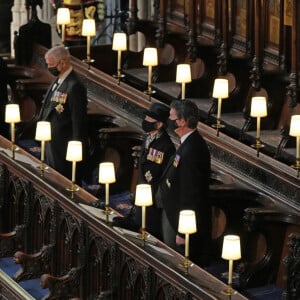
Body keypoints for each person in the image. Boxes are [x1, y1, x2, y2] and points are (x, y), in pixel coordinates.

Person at [157, 99, 212, 267]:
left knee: (178, 264)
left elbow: (191, 193)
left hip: (181, 223)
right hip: (173, 214)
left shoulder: (192, 149)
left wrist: (182, 231)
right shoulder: (187, 143)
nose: (169, 120)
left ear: (182, 121)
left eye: (172, 116)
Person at [38, 46, 87, 181]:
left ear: (63, 63)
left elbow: (78, 121)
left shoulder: (75, 85)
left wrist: (76, 149)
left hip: (64, 145)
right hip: (51, 141)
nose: (49, 67)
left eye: (51, 64)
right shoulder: (58, 80)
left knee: (62, 181)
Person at [134, 102, 176, 240]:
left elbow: (159, 174)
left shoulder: (166, 146)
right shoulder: (148, 138)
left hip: (152, 198)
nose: (145, 121)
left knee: (149, 233)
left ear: (159, 125)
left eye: (149, 119)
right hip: (142, 193)